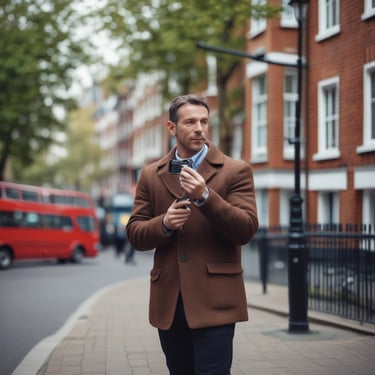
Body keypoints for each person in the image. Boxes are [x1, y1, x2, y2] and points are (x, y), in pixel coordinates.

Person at [126, 94, 258, 375]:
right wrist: (164, 223)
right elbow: (135, 232)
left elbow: (245, 228)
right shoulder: (151, 174)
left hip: (216, 300)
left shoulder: (236, 171)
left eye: (204, 121)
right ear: (171, 127)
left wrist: (206, 197)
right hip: (170, 304)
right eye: (190, 122)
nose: (199, 128)